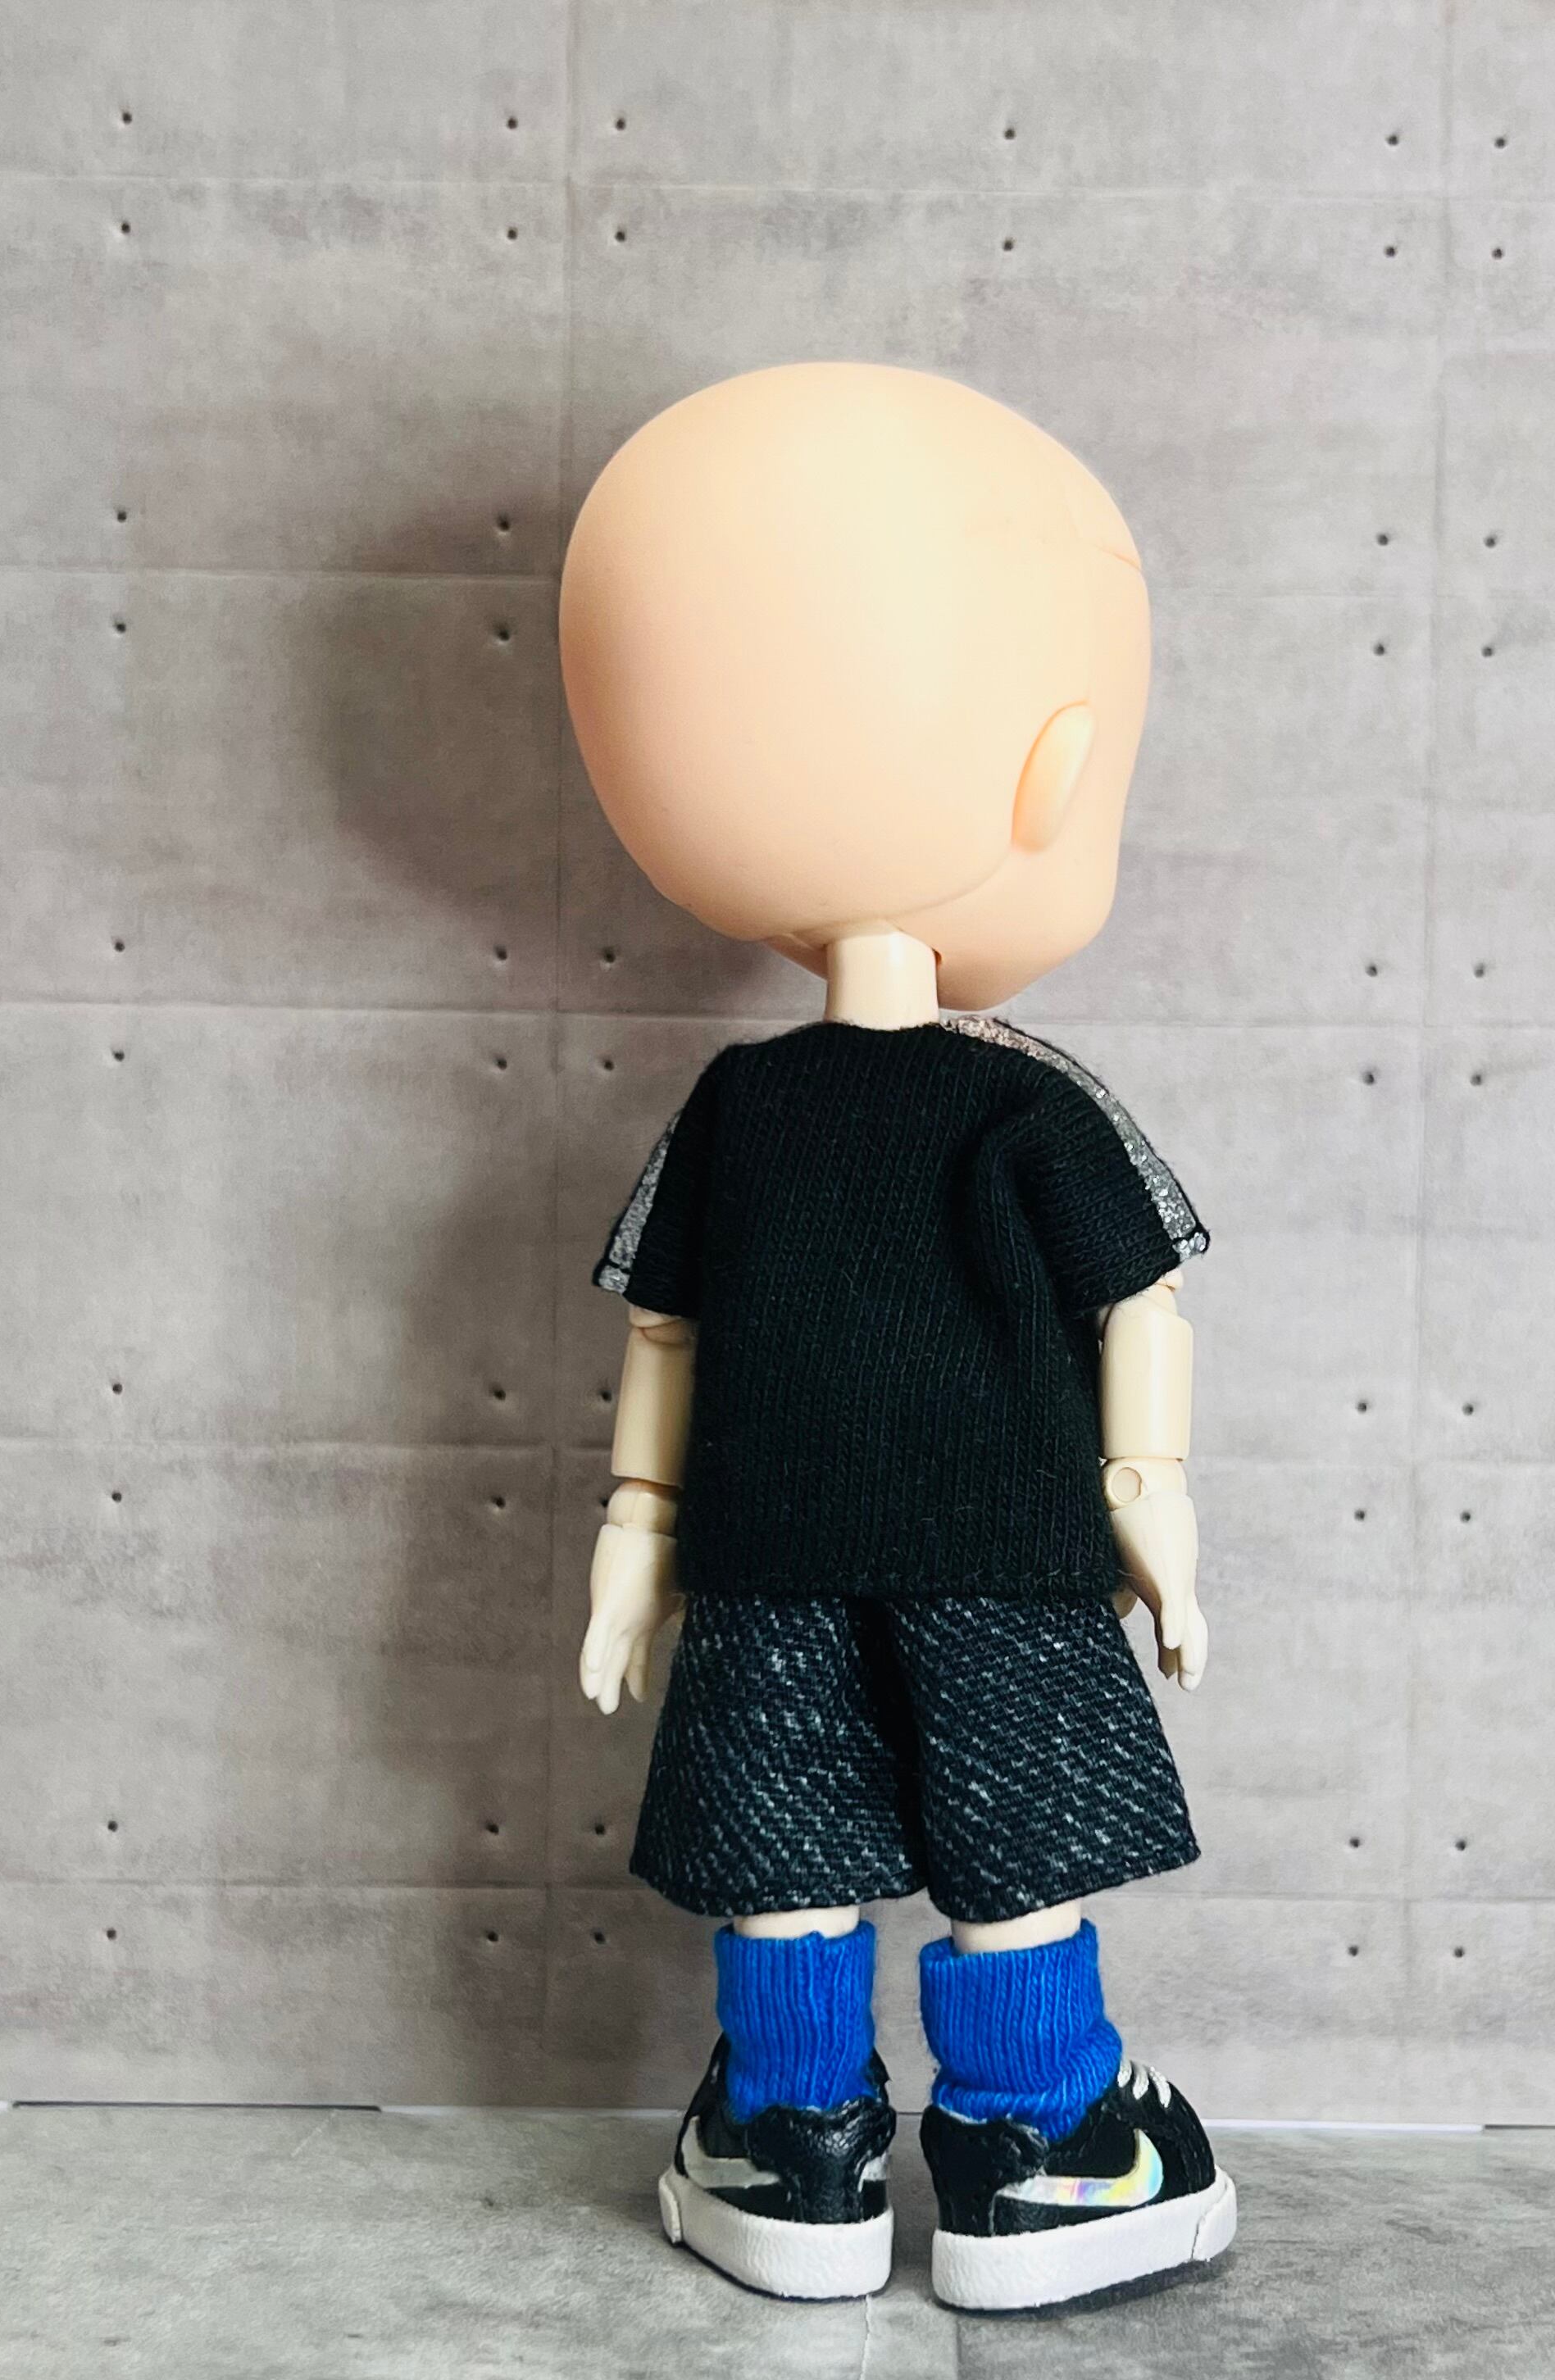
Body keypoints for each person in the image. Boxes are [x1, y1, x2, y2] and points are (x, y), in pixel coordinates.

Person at [559, 361, 1235, 2314]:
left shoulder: (742, 1107)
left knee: (787, 1840)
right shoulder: (1028, 1104)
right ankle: (1048, 2149)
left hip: (766, 1554)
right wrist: (1151, 1503)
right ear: (1054, 770)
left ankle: (794, 2146)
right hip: (1003, 1553)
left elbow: (669, 1335)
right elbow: (1140, 1306)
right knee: (1017, 1849)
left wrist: (634, 1537)